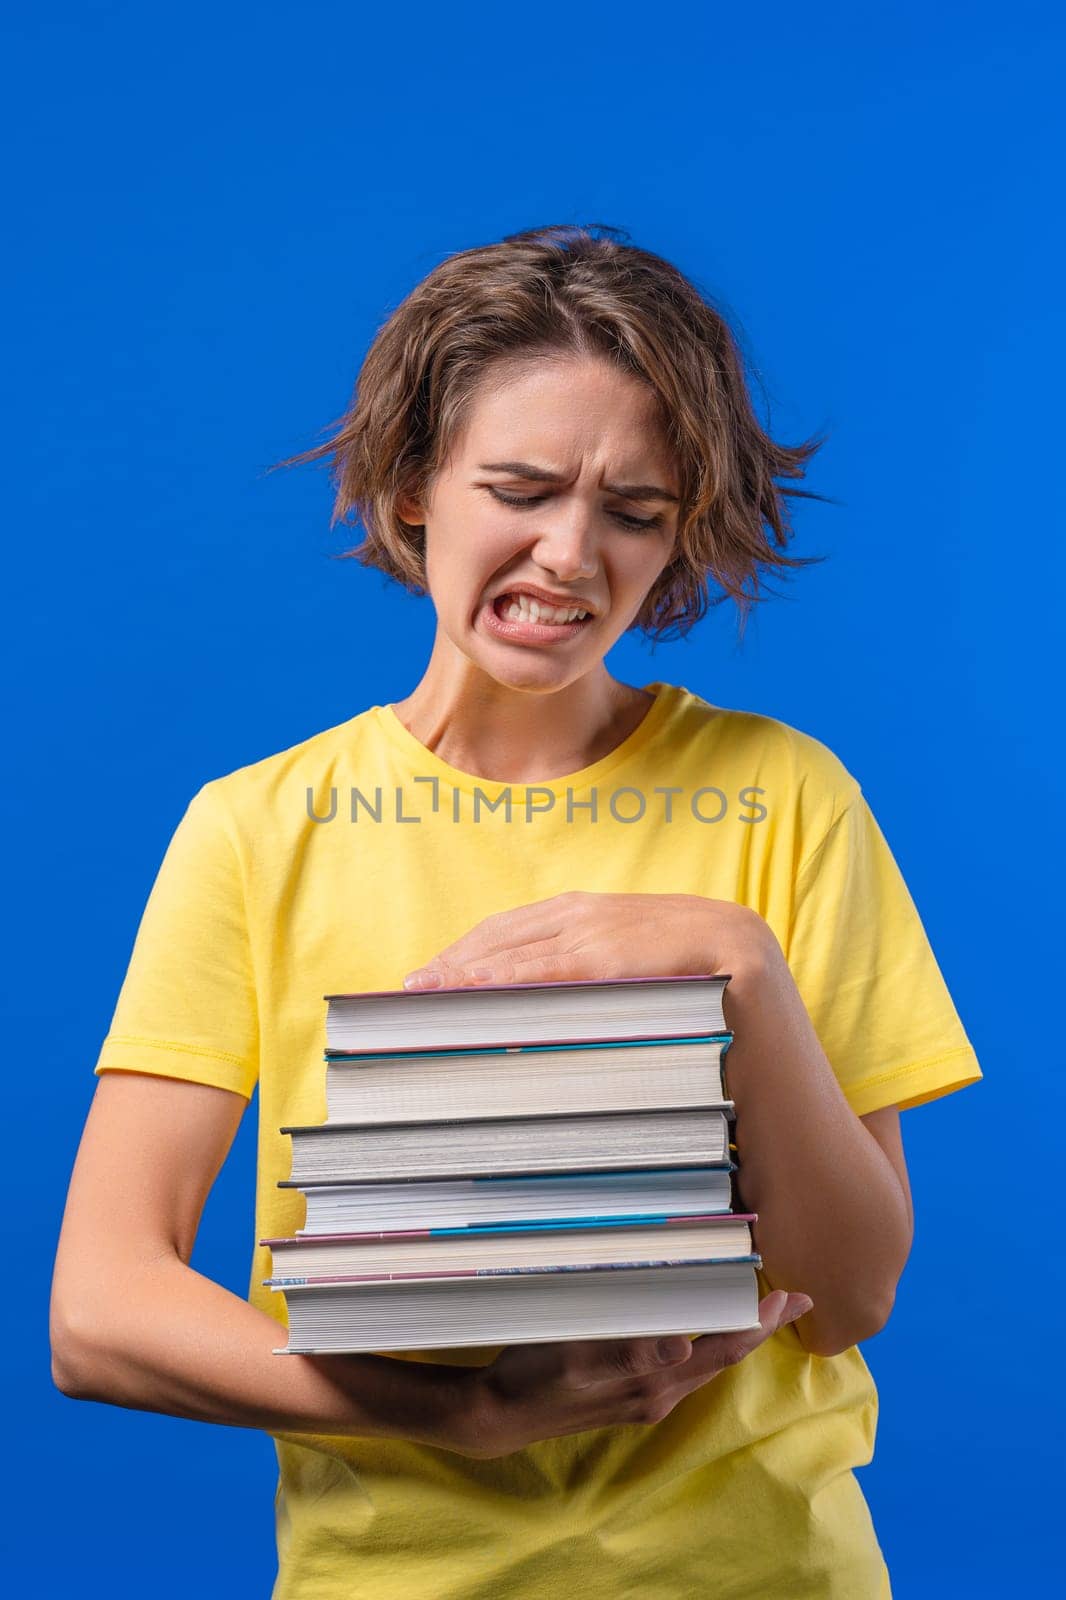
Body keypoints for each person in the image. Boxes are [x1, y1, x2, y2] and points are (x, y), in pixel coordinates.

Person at [50, 222, 981, 1599]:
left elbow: (849, 1295)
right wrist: (459, 1415)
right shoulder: (255, 830)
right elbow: (99, 1311)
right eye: (521, 487)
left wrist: (736, 966)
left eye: (634, 511)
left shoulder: (783, 797)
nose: (567, 554)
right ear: (413, 485)